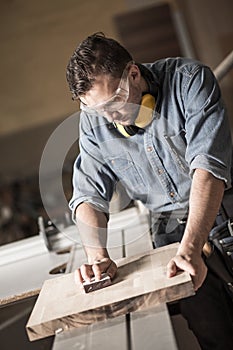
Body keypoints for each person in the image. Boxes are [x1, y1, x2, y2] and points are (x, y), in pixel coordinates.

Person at [66, 32, 233, 349]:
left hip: (224, 210)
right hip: (169, 232)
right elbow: (88, 193)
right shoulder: (95, 121)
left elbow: (208, 168)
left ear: (133, 73)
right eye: (96, 110)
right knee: (214, 336)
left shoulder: (189, 80)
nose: (109, 117)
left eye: (114, 102)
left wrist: (192, 247)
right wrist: (97, 256)